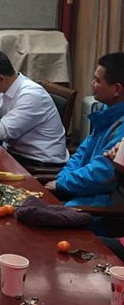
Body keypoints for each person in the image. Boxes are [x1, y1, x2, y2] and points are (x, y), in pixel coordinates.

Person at [43, 53, 124, 207]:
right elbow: (82, 153)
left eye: (98, 81)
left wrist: (62, 184)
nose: (92, 84)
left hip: (105, 204)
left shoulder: (121, 126)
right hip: (83, 192)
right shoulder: (106, 111)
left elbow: (102, 174)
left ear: (117, 89)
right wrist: (62, 180)